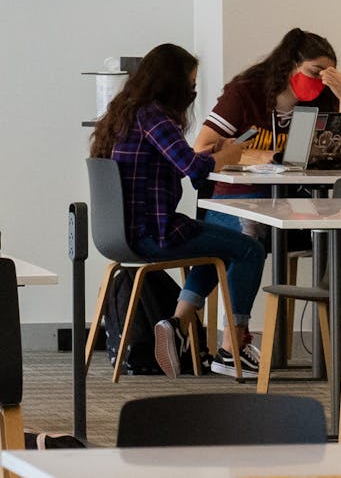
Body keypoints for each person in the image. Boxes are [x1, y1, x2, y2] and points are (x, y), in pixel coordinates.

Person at [89, 43, 265, 379]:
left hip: (118, 236)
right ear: (174, 83)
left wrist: (212, 153)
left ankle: (177, 323)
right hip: (154, 234)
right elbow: (191, 167)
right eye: (192, 83)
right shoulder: (154, 115)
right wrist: (227, 156)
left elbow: (181, 160)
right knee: (249, 249)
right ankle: (232, 350)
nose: (194, 91)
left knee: (218, 247)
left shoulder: (123, 115)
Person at [194, 28, 341, 319]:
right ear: (290, 65)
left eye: (329, 76)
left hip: (294, 203)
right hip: (238, 198)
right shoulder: (245, 94)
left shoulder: (320, 101)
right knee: (246, 233)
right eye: (316, 72)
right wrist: (263, 156)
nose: (320, 81)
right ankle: (232, 338)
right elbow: (202, 148)